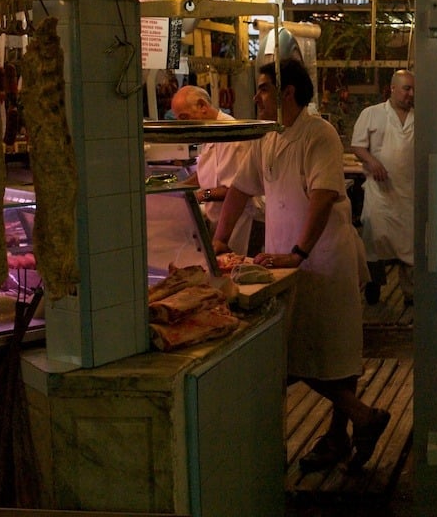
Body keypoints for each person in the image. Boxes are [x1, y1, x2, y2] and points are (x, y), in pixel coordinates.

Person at [211, 58, 389, 474]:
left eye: (263, 88)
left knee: (328, 351)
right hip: (286, 262)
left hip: (324, 257)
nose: (257, 96)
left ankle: (352, 425)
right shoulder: (267, 137)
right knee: (310, 350)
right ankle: (347, 431)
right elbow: (239, 190)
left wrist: (299, 251)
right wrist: (218, 239)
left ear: (287, 92)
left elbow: (324, 196)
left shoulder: (319, 134)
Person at [350, 70, 415, 305]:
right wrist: (373, 162)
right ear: (392, 89)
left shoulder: (419, 118)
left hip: (409, 194)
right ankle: (374, 286)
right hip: (380, 194)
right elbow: (357, 146)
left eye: (413, 89)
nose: (411, 94)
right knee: (374, 241)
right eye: (407, 88)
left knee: (411, 247)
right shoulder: (372, 114)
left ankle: (410, 295)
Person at [169, 85, 256, 255]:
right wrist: (176, 189)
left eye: (185, 118)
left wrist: (201, 195)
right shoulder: (210, 131)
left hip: (240, 223)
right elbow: (205, 174)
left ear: (202, 106)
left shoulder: (231, 135)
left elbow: (236, 190)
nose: (183, 126)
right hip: (218, 219)